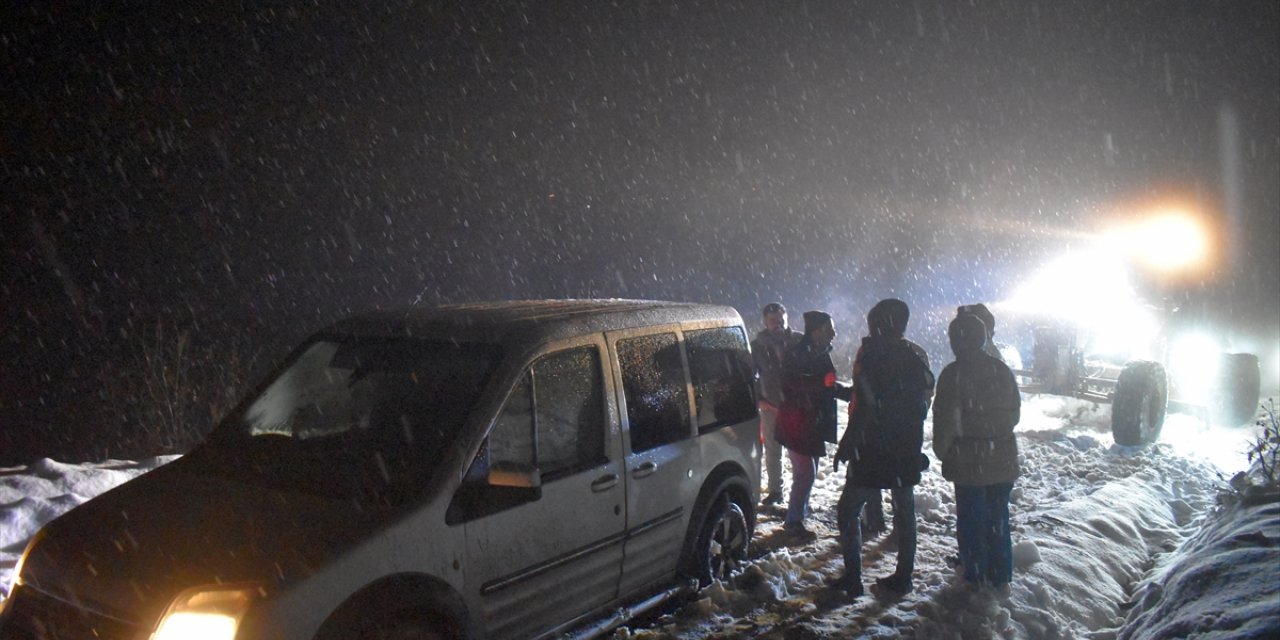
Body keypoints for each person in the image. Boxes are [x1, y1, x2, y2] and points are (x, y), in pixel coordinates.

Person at [832, 299, 935, 596]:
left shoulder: (873, 356)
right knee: (905, 512)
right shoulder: (913, 357)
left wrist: (848, 444)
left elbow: (865, 407)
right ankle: (904, 576)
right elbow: (925, 396)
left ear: (879, 325)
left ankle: (853, 578)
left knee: (848, 510)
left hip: (874, 450)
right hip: (905, 450)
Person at [933, 313, 1022, 592]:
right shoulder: (1001, 370)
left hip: (969, 461)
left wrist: (942, 450)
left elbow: (946, 421)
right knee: (998, 519)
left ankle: (975, 575)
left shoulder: (952, 374)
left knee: (971, 520)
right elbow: (1015, 414)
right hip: (1002, 457)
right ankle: (1001, 573)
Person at [776, 310, 852, 539]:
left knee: (810, 471)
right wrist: (820, 383)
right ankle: (793, 521)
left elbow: (825, 386)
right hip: (797, 423)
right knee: (806, 473)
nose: (833, 333)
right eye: (829, 329)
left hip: (812, 424)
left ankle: (799, 513)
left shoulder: (819, 353)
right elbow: (789, 384)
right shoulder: (797, 353)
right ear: (816, 331)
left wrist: (846, 393)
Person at [752, 302, 803, 506]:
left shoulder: (798, 342)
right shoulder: (758, 346)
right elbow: (751, 375)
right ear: (765, 322)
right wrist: (761, 400)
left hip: (797, 407)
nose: (778, 324)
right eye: (773, 321)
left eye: (781, 320)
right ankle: (775, 492)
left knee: (798, 452)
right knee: (773, 452)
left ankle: (799, 495)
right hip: (771, 406)